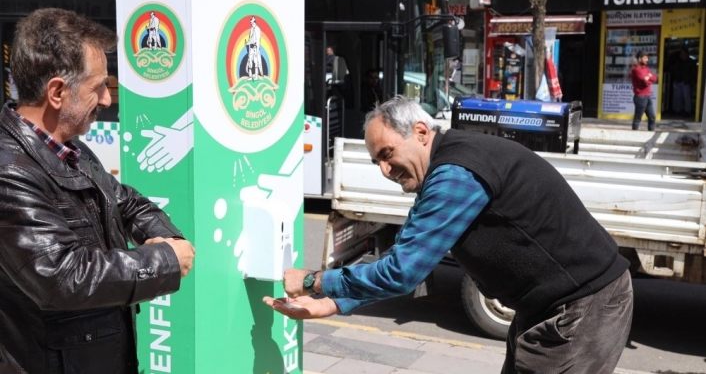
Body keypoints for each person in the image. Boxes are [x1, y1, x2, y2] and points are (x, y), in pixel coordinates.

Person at [264, 96, 634, 374]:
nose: (384, 169)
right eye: (377, 159)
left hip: (581, 307)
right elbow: (405, 259)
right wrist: (334, 303)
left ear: (422, 133)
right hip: (553, 306)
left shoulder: (456, 171)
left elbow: (402, 272)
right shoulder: (447, 167)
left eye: (388, 153)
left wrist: (316, 281)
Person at [0, 8, 195, 374]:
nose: (107, 99)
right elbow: (61, 276)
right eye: (98, 87)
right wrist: (165, 261)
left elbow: (125, 200)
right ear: (57, 92)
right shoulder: (9, 170)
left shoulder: (70, 147)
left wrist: (163, 236)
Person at [630, 50, 657, 131]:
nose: (647, 60)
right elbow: (644, 81)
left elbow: (655, 78)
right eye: (645, 58)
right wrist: (648, 77)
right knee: (638, 118)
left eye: (647, 58)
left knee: (652, 117)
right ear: (639, 59)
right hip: (640, 97)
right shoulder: (636, 69)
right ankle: (634, 134)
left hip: (647, 96)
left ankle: (650, 134)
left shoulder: (646, 69)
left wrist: (648, 77)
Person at [669, 46, 696, 117]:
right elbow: (673, 70)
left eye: (683, 53)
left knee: (686, 98)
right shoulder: (677, 61)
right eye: (681, 54)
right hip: (678, 81)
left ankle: (687, 111)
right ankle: (678, 111)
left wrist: (690, 82)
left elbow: (693, 73)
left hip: (686, 82)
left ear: (687, 54)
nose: (682, 55)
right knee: (677, 97)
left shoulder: (691, 62)